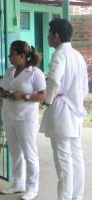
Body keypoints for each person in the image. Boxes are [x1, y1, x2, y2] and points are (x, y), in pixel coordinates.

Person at [40, 18, 88, 200]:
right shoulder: (77, 55)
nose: (47, 37)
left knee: (63, 162)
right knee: (76, 158)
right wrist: (72, 97)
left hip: (62, 113)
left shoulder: (59, 55)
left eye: (49, 34)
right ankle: (77, 197)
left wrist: (48, 99)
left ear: (56, 36)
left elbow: (54, 81)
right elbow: (84, 88)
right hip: (75, 112)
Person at [0, 40, 46, 200]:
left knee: (29, 153)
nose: (9, 56)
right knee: (15, 152)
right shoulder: (9, 71)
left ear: (22, 56)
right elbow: (1, 87)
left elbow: (42, 95)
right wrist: (2, 93)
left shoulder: (34, 73)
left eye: (12, 53)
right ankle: (17, 183)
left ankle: (32, 188)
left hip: (26, 119)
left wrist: (24, 96)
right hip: (9, 116)